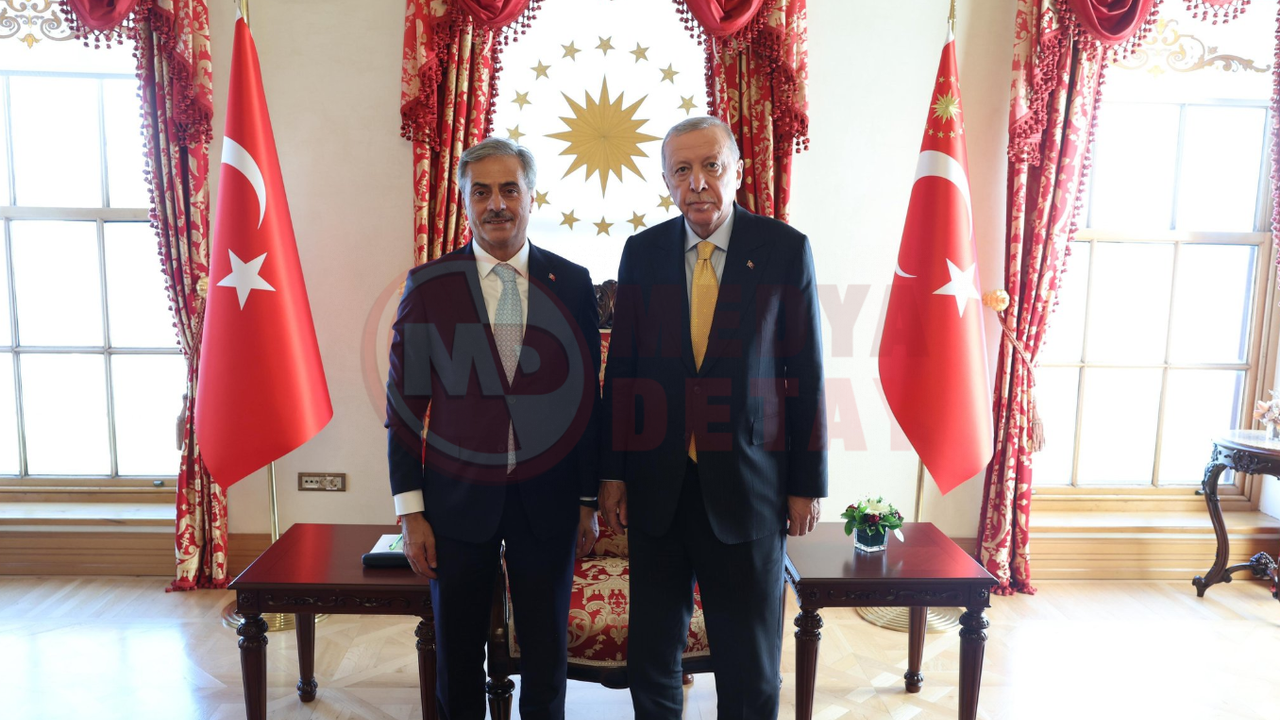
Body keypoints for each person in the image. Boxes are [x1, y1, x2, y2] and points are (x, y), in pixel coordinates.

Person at [599, 116, 827, 719]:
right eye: (681, 170)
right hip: (657, 488)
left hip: (751, 488)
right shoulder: (643, 253)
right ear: (666, 181)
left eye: (711, 166)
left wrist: (806, 484)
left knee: (750, 663)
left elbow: (804, 374)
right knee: (653, 656)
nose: (697, 182)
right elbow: (622, 372)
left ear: (738, 171)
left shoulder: (784, 250)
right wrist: (612, 473)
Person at [385, 137, 602, 720]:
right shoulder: (428, 286)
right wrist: (411, 513)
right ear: (465, 203)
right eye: (481, 192)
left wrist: (587, 499)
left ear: (532, 197)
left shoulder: (572, 282)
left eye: (509, 189)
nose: (496, 204)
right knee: (457, 656)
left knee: (547, 656)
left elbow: (587, 403)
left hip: (549, 502)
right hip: (455, 506)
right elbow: (404, 409)